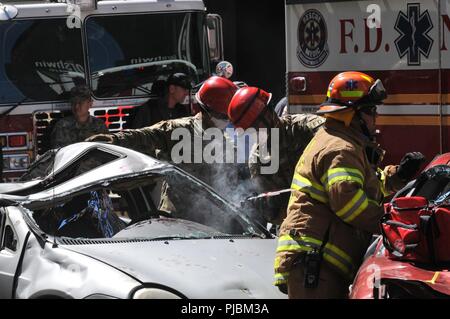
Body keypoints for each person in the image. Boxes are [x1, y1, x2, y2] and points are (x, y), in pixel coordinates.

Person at [273, 71, 425, 298]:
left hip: (319, 263)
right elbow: (349, 203)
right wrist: (391, 223)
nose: (375, 117)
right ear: (352, 115)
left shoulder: (343, 143)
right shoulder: (340, 149)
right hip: (315, 262)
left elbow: (362, 186)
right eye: (371, 111)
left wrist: (398, 175)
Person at [86, 76, 240, 200]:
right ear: (205, 109)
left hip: (219, 218)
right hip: (180, 216)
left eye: (229, 116)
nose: (227, 120)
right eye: (222, 116)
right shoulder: (179, 129)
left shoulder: (231, 136)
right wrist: (113, 140)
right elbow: (144, 135)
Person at [227, 86, 325, 225]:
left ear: (268, 115)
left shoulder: (306, 128)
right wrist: (267, 208)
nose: (254, 135)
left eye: (254, 128)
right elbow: (277, 213)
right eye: (249, 131)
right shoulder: (257, 159)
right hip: (299, 223)